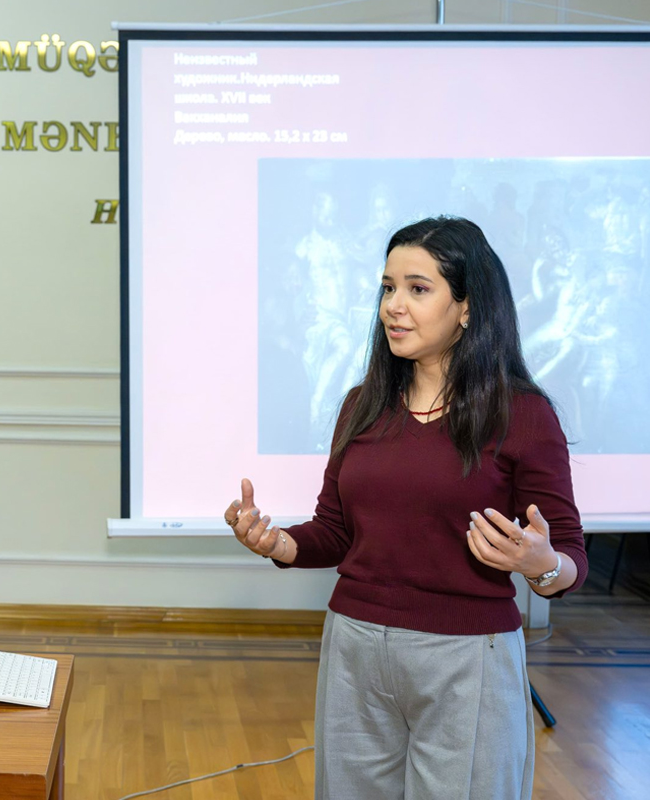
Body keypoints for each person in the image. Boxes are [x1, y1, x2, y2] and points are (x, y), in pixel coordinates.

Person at [226, 216, 588, 799]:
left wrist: (540, 564)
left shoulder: (523, 414)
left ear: (467, 307)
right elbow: (335, 531)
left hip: (466, 658)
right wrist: (279, 543)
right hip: (354, 647)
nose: (394, 306)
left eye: (418, 289)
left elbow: (568, 557)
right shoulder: (362, 405)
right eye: (388, 288)